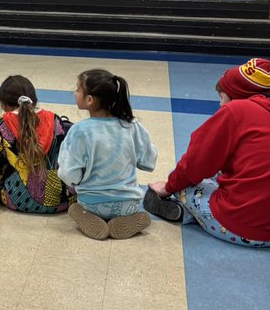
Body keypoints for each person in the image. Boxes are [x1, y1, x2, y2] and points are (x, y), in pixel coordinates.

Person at [145, 57, 270, 247]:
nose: (220, 105)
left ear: (237, 95)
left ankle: (187, 214)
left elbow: (195, 163)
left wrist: (168, 187)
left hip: (241, 228)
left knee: (182, 179)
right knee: (222, 171)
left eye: (222, 97)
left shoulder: (235, 110)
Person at [57, 68, 156, 240]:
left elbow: (68, 174)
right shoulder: (131, 125)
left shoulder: (80, 131)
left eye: (77, 89)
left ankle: (86, 216)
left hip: (91, 204)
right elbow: (149, 161)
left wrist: (75, 181)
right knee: (129, 204)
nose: (74, 93)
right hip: (128, 204)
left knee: (74, 207)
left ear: (89, 100)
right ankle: (127, 219)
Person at [0, 74, 75, 213]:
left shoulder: (1, 124)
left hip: (14, 200)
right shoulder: (54, 119)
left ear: (3, 104)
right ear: (33, 100)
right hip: (60, 200)